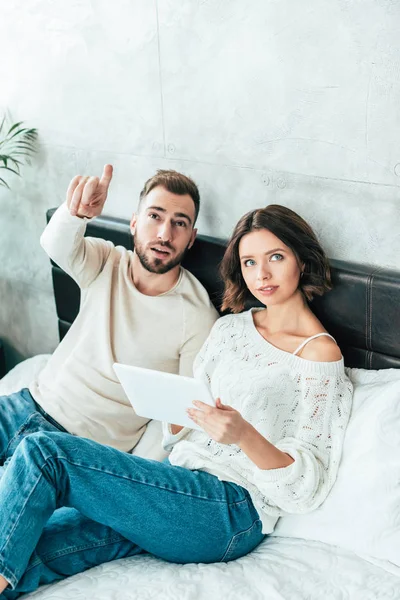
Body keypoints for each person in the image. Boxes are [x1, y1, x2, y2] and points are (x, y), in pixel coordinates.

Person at [0, 204, 353, 598]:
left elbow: (307, 487)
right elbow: (181, 430)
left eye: (276, 257)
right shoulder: (230, 329)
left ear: (301, 261)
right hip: (176, 487)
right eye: (250, 262)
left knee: (45, 454)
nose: (262, 275)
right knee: (34, 547)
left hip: (230, 510)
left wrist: (243, 435)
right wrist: (174, 415)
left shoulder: (319, 356)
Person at [0, 165, 218, 473]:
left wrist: (129, 475)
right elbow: (55, 244)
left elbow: (180, 419)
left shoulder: (196, 315)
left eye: (179, 223)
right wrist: (78, 214)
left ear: (191, 238)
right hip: (26, 406)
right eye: (154, 216)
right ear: (134, 222)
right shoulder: (107, 260)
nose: (164, 234)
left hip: (80, 453)